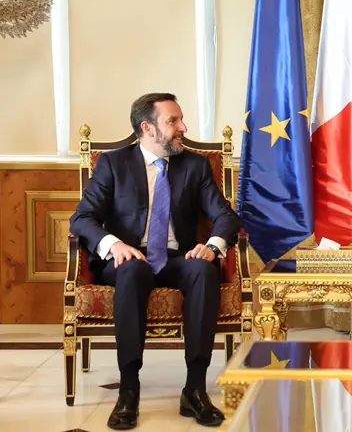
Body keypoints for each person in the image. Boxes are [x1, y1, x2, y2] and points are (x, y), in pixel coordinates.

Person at [70, 93, 241, 430]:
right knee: (131, 271)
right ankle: (128, 390)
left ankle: (194, 390)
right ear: (148, 128)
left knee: (203, 270)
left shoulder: (195, 165)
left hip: (178, 257)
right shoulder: (114, 163)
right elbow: (82, 218)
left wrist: (212, 246)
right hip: (130, 257)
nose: (184, 127)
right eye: (173, 121)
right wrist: (115, 244)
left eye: (181, 119)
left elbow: (225, 216)